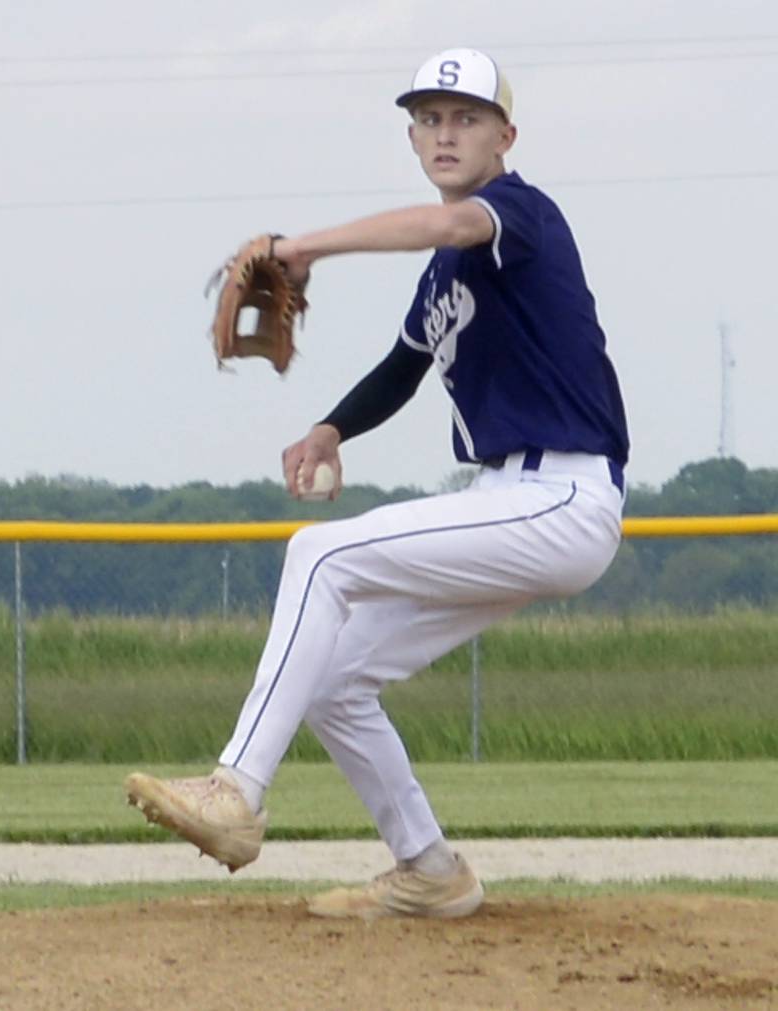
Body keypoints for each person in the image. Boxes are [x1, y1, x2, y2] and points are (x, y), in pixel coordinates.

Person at [126, 47, 629, 920]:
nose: (446, 132)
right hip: (509, 501)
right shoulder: (445, 278)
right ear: (411, 135)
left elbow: (446, 225)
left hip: (563, 493)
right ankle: (430, 868)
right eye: (430, 118)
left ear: (506, 135)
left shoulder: (518, 213)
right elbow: (404, 364)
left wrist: (297, 247)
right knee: (333, 678)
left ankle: (234, 790)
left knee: (320, 554)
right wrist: (329, 429)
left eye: (466, 117)